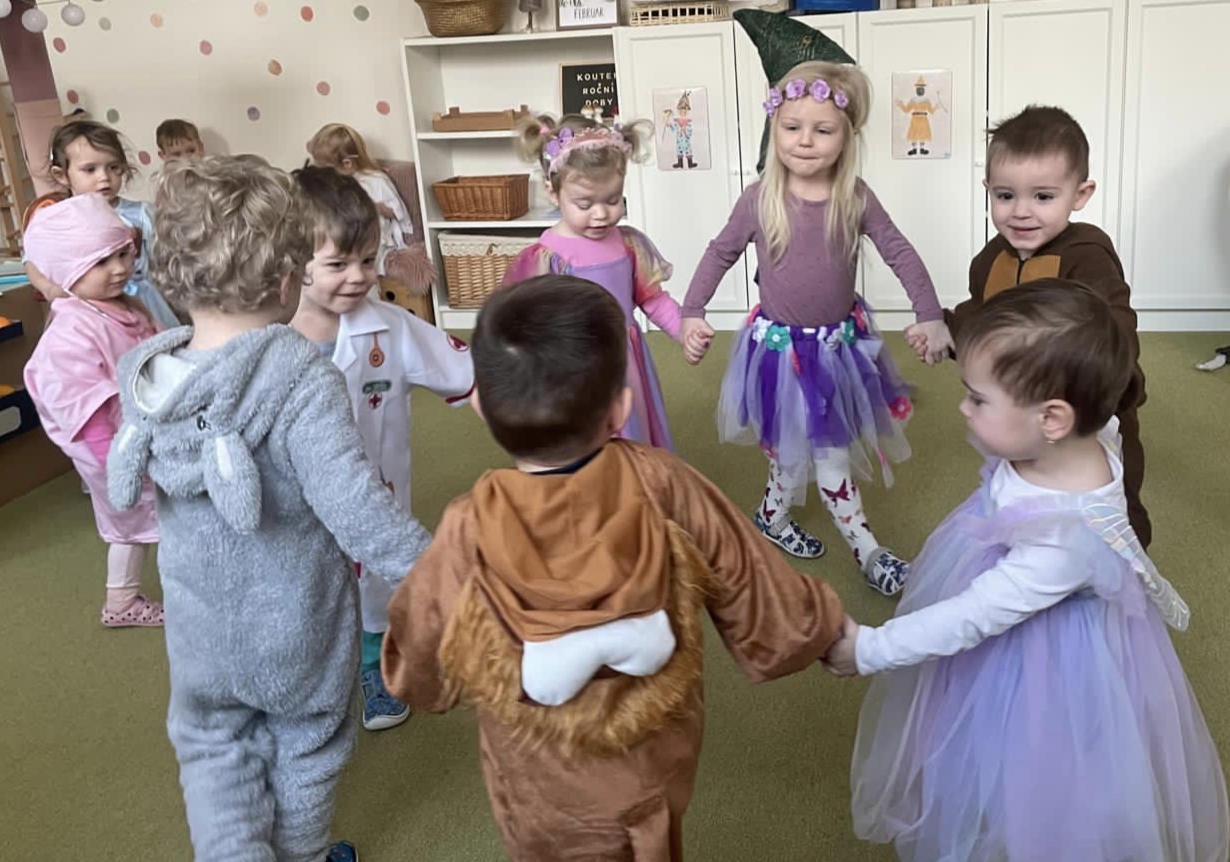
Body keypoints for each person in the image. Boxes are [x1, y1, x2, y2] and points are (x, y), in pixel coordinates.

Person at [382, 274, 846, 862]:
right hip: (654, 758)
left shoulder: (467, 525)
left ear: (483, 406)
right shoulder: (663, 479)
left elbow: (418, 662)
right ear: (620, 407)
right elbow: (761, 596)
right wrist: (829, 632)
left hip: (539, 784)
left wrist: (415, 679)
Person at [827, 279, 1228, 862]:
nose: (962, 408)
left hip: (1055, 661)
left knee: (1055, 791)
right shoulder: (1082, 432)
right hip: (1026, 586)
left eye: (978, 399)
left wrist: (868, 648)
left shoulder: (1061, 542)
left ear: (1053, 419)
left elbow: (969, 616)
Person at [106, 155, 434, 862]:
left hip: (199, 628)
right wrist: (440, 570)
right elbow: (357, 508)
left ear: (170, 276)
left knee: (210, 743)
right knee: (306, 743)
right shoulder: (298, 375)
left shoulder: (151, 375)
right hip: (295, 621)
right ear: (289, 277)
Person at [680, 60, 951, 596]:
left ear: (847, 137)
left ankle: (816, 533)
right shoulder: (758, 199)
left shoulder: (856, 197)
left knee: (826, 454)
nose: (804, 141)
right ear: (774, 128)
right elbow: (719, 252)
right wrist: (693, 311)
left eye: (822, 130)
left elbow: (899, 252)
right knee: (796, 452)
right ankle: (826, 536)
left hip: (837, 353)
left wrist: (930, 314)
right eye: (791, 127)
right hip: (778, 356)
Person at [908, 105, 1152, 547]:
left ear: (1080, 194)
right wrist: (947, 330)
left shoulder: (1088, 257)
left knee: (1108, 511)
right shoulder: (990, 259)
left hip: (1087, 419)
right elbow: (983, 322)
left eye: (1042, 197)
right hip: (1025, 417)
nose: (1021, 212)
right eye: (1005, 196)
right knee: (1027, 500)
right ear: (988, 190)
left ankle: (1124, 571)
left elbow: (1116, 336)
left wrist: (1104, 393)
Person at [290, 165, 474, 732]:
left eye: (368, 261)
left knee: (376, 583)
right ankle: (311, 681)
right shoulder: (265, 338)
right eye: (337, 265)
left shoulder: (391, 327)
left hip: (375, 489)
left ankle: (376, 665)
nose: (358, 277)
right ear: (291, 262)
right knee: (304, 590)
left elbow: (466, 373)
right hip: (295, 502)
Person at [504, 113, 691, 450]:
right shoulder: (548, 256)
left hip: (625, 362)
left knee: (632, 436)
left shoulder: (627, 244)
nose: (602, 214)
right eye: (585, 204)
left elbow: (651, 298)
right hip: (575, 368)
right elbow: (525, 322)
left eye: (613, 200)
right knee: (588, 443)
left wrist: (684, 331)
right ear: (552, 192)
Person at [22, 193, 163, 627]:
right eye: (101, 262)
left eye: (122, 254)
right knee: (135, 523)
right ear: (68, 271)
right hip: (112, 450)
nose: (119, 268)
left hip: (140, 437)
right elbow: (82, 409)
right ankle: (122, 603)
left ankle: (125, 600)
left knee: (140, 523)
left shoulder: (124, 306)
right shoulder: (71, 332)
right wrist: (114, 464)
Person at [22, 120, 179, 329]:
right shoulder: (60, 220)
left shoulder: (142, 213)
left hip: (145, 305)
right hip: (87, 310)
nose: (104, 177)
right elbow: (31, 259)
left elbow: (168, 260)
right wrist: (49, 289)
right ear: (62, 175)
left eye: (113, 167)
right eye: (90, 169)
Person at [305, 122, 424, 285]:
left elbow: (397, 212)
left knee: (357, 262)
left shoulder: (375, 181)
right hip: (342, 234)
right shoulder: (336, 183)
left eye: (327, 169)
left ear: (347, 164)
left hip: (371, 237)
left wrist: (373, 207)